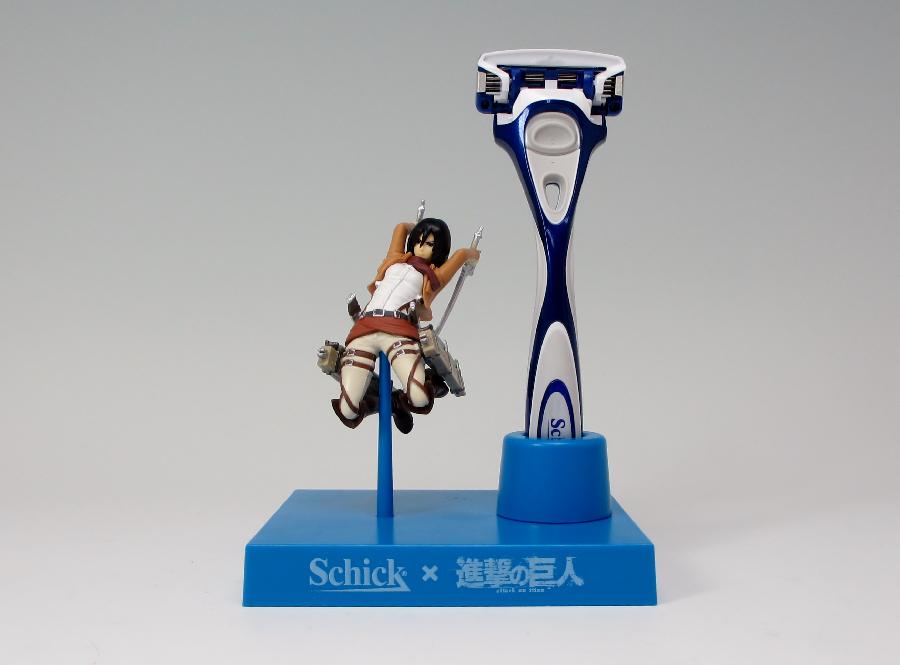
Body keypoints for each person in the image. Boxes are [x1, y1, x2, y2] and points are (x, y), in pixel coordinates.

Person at [332, 218, 480, 432]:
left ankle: (420, 389)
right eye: (418, 241)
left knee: (419, 398)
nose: (421, 247)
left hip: (398, 331)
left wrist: (472, 255)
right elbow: (401, 228)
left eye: (429, 244)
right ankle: (393, 402)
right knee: (348, 410)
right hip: (365, 327)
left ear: (438, 249)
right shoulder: (395, 259)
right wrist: (418, 226)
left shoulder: (433, 277)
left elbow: (461, 255)